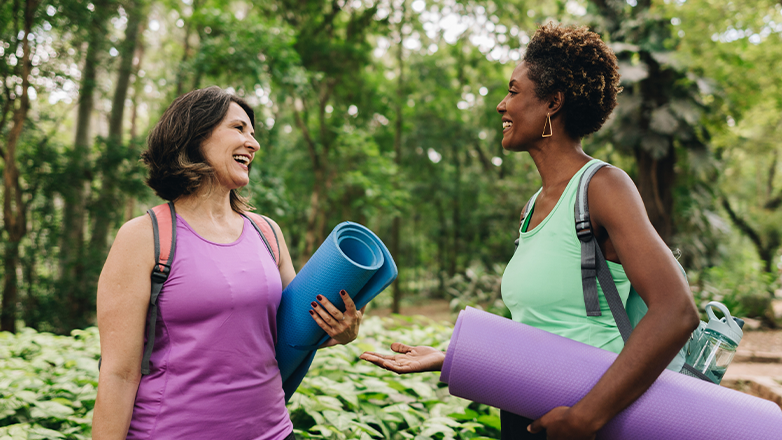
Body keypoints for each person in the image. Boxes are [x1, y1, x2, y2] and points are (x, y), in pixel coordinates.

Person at [360, 23, 700, 440]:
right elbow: (542, 325)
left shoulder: (603, 187)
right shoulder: (533, 207)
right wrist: (451, 356)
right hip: (528, 408)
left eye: (514, 91)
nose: (502, 105)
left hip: (588, 418)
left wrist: (586, 417)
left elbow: (676, 310)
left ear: (553, 103)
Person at [92, 87, 363, 440]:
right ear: (195, 136)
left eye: (253, 133)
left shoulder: (266, 232)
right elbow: (118, 374)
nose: (254, 143)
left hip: (274, 433)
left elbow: (297, 330)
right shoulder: (144, 237)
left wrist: (340, 331)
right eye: (239, 128)